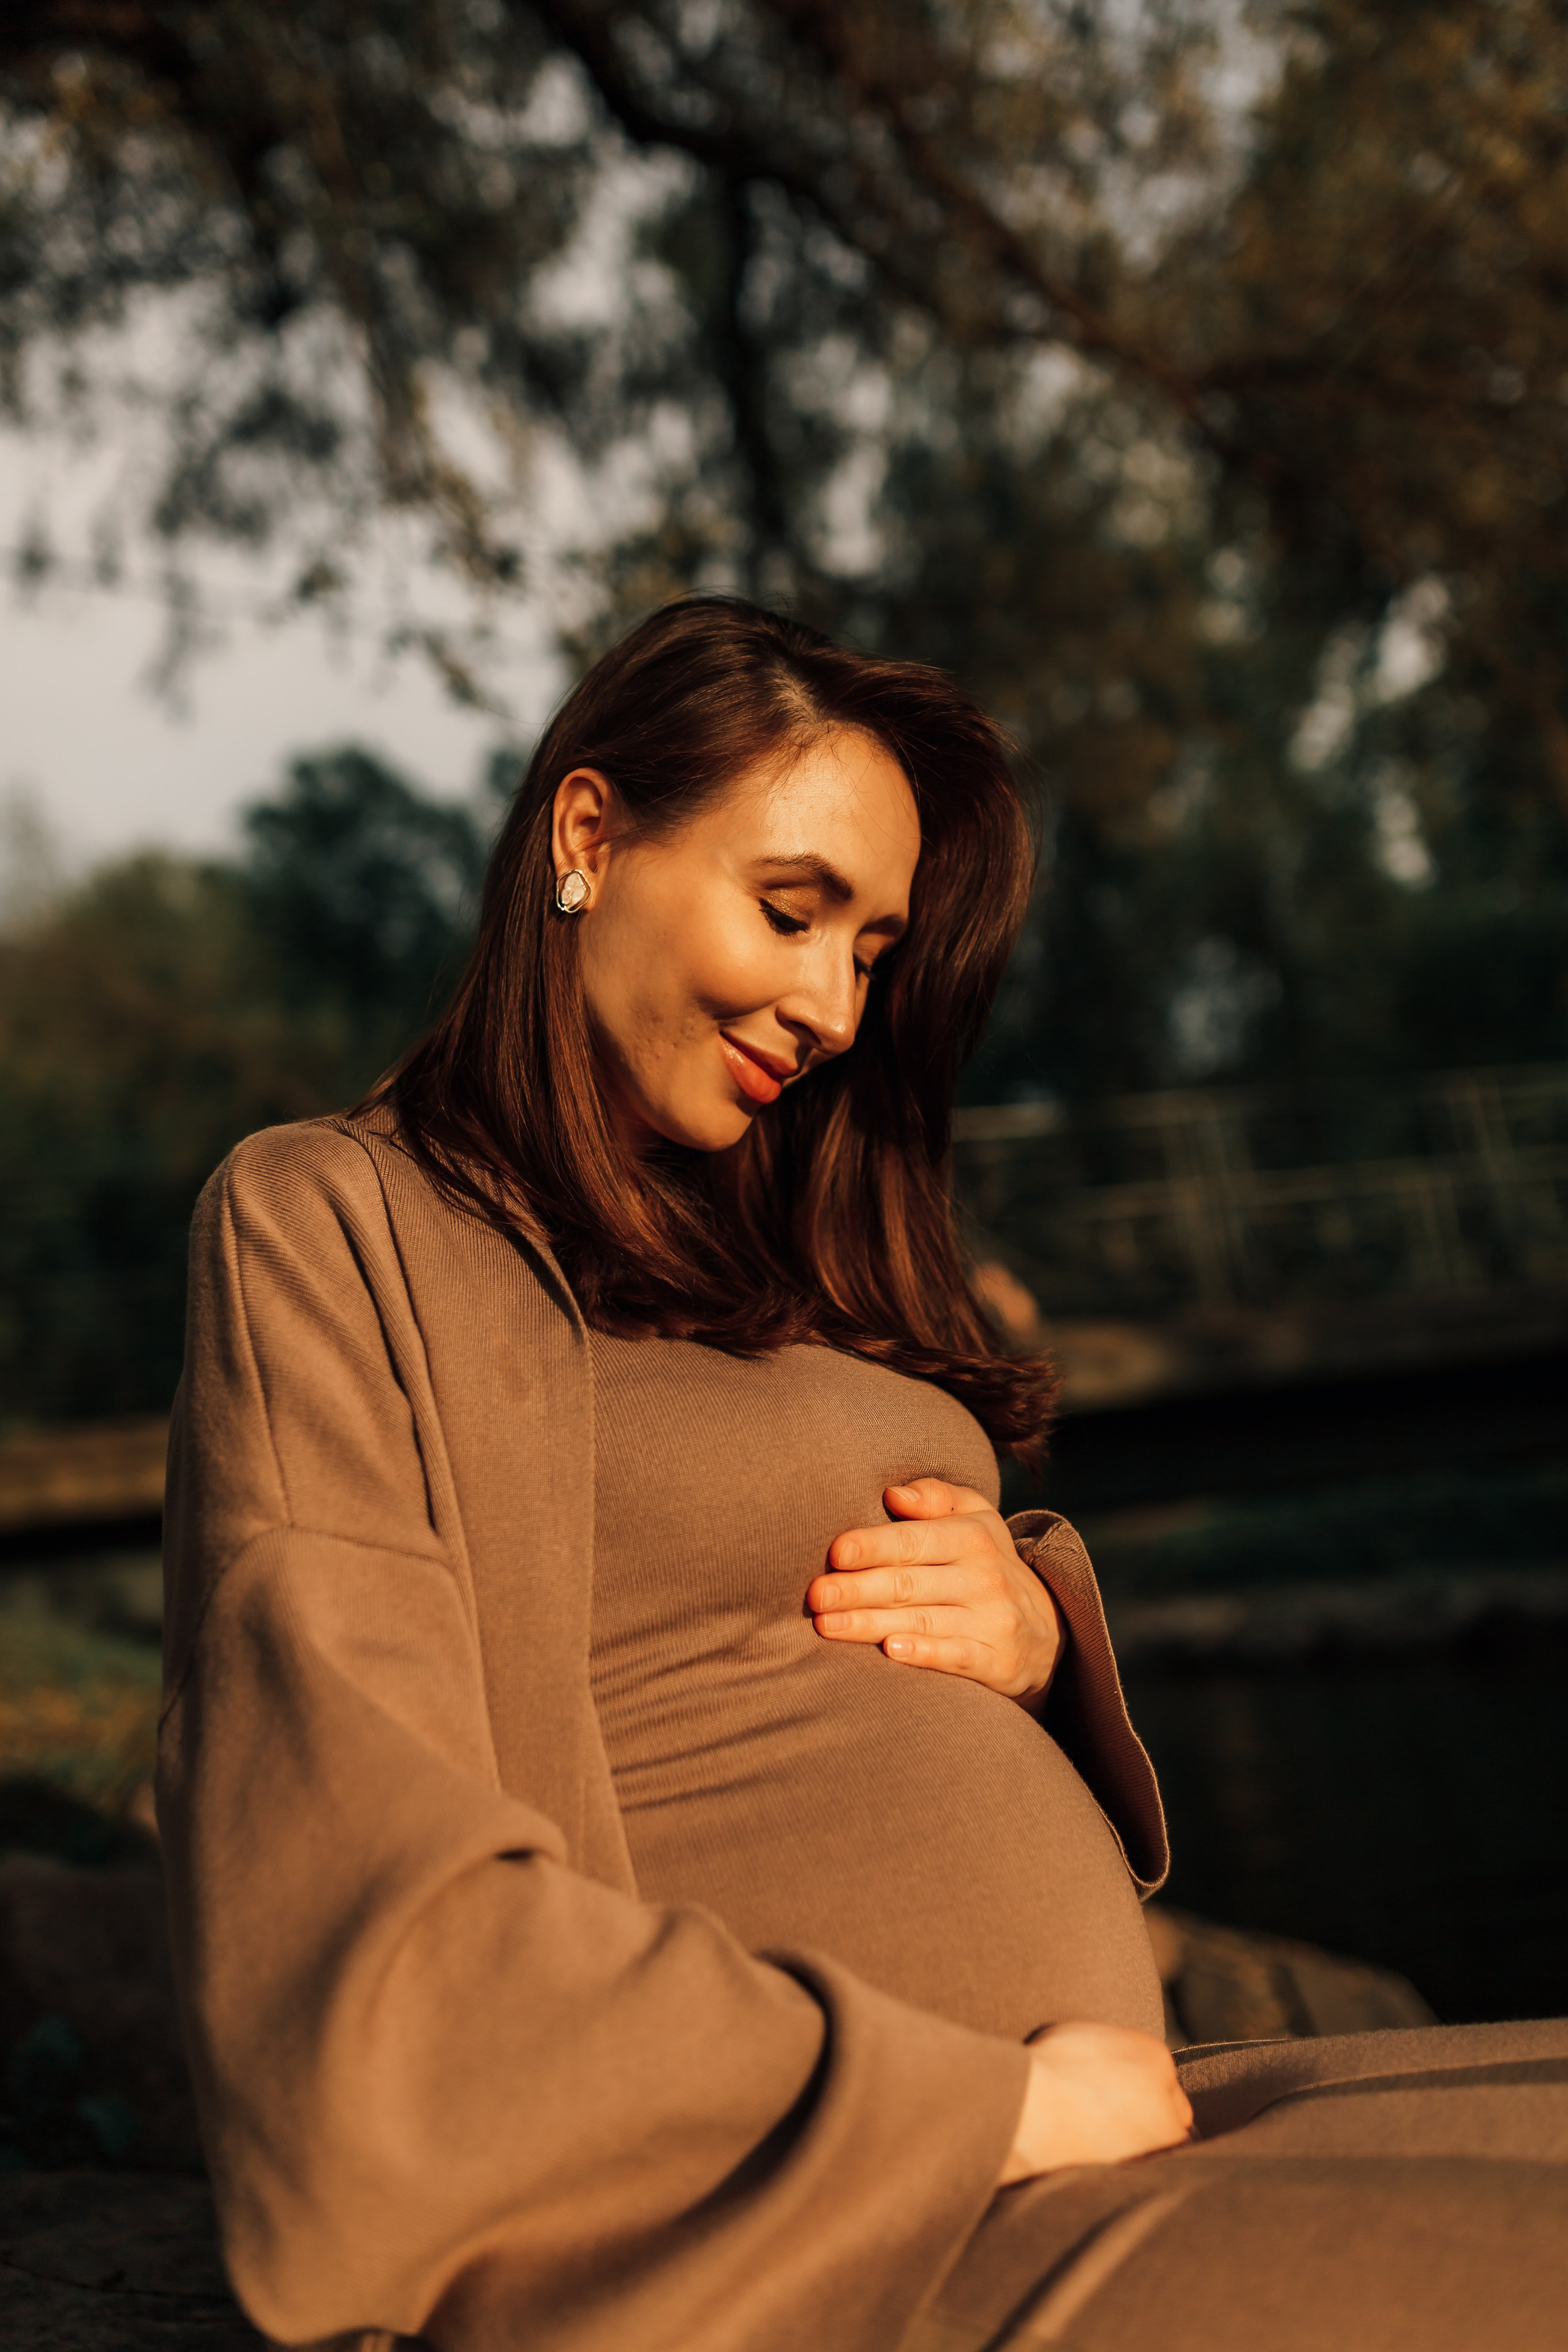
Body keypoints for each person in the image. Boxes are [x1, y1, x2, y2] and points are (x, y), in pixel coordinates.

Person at [160, 598, 1568, 2352]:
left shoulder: (771, 1231)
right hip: (826, 2220)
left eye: (877, 953)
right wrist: (993, 2110)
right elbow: (371, 1921)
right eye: (792, 910)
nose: (834, 1005)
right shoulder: (335, 1225)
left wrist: (1041, 1634)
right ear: (588, 839)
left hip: (1130, 2108)